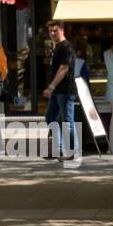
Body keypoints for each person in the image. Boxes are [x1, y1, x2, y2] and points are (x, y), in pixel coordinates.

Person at [42, 20, 78, 162]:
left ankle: (70, 151)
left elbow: (64, 68)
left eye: (55, 30)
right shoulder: (57, 47)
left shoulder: (66, 47)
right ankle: (58, 149)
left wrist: (51, 86)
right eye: (50, 31)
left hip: (65, 90)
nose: (52, 33)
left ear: (62, 30)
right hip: (58, 91)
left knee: (67, 120)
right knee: (50, 117)